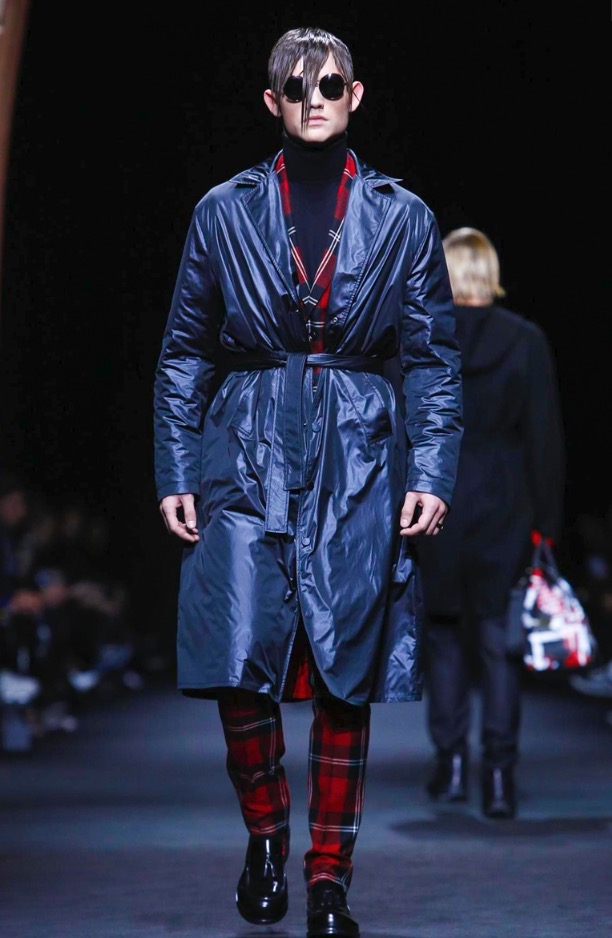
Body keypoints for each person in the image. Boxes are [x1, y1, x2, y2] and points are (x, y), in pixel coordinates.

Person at [153, 26, 462, 938]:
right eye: (296, 87)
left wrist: (433, 470)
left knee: (342, 668)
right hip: (244, 441)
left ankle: (329, 878)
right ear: (272, 101)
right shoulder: (223, 211)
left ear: (354, 95)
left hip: (358, 447)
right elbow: (184, 350)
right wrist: (176, 467)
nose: (313, 98)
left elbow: (433, 359)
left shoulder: (404, 216)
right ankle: (265, 831)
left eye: (329, 84)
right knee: (237, 657)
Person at [417, 227, 565, 820]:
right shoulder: (525, 340)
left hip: (439, 502)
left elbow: (407, 427)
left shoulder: (427, 336)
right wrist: (546, 525)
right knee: (499, 644)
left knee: (444, 640)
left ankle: (452, 766)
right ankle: (499, 777)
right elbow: (544, 440)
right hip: (505, 504)